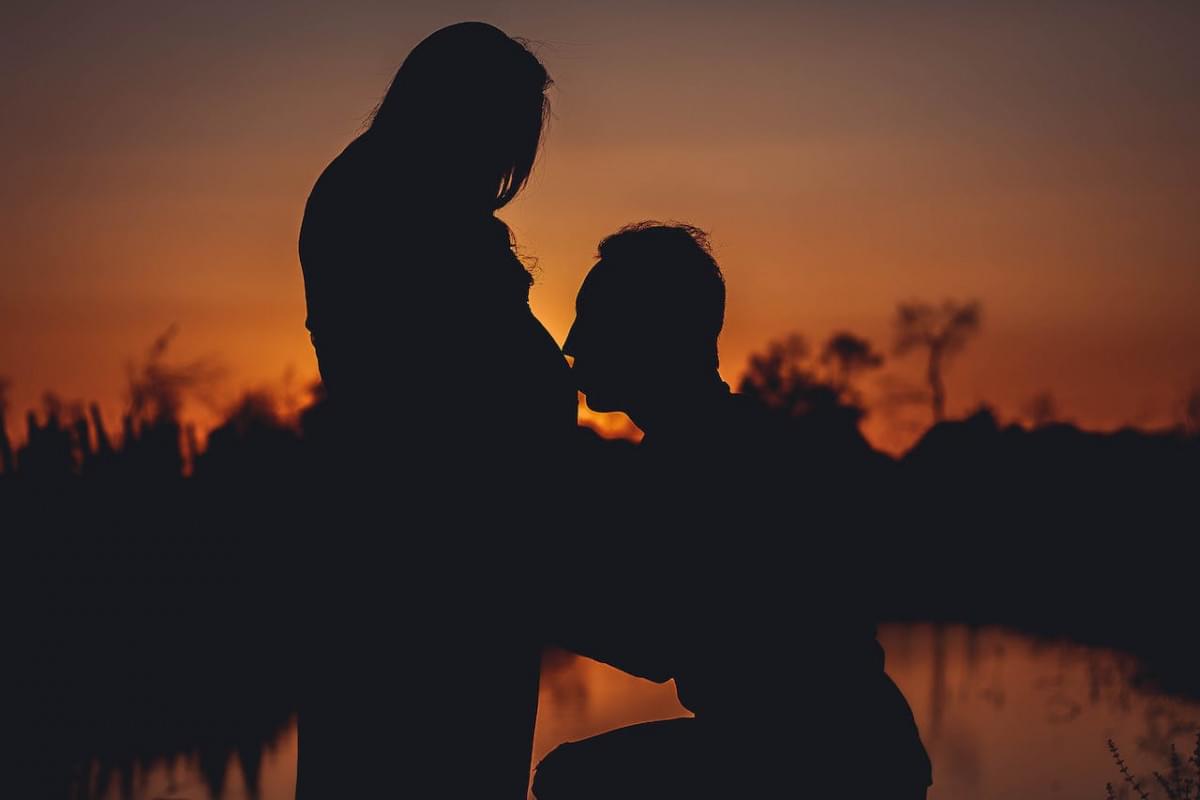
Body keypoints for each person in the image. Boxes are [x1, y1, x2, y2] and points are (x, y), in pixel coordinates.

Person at [536, 222, 932, 799]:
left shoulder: (706, 454)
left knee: (574, 781)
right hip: (842, 747)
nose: (572, 342)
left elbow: (652, 642)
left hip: (823, 756)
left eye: (593, 319)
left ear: (651, 333)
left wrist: (521, 595)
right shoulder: (705, 440)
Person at [296, 22, 575, 798]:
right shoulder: (386, 201)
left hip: (462, 564)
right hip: (424, 570)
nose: (504, 165)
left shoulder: (405, 195)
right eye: (503, 134)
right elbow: (425, 397)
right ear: (458, 112)